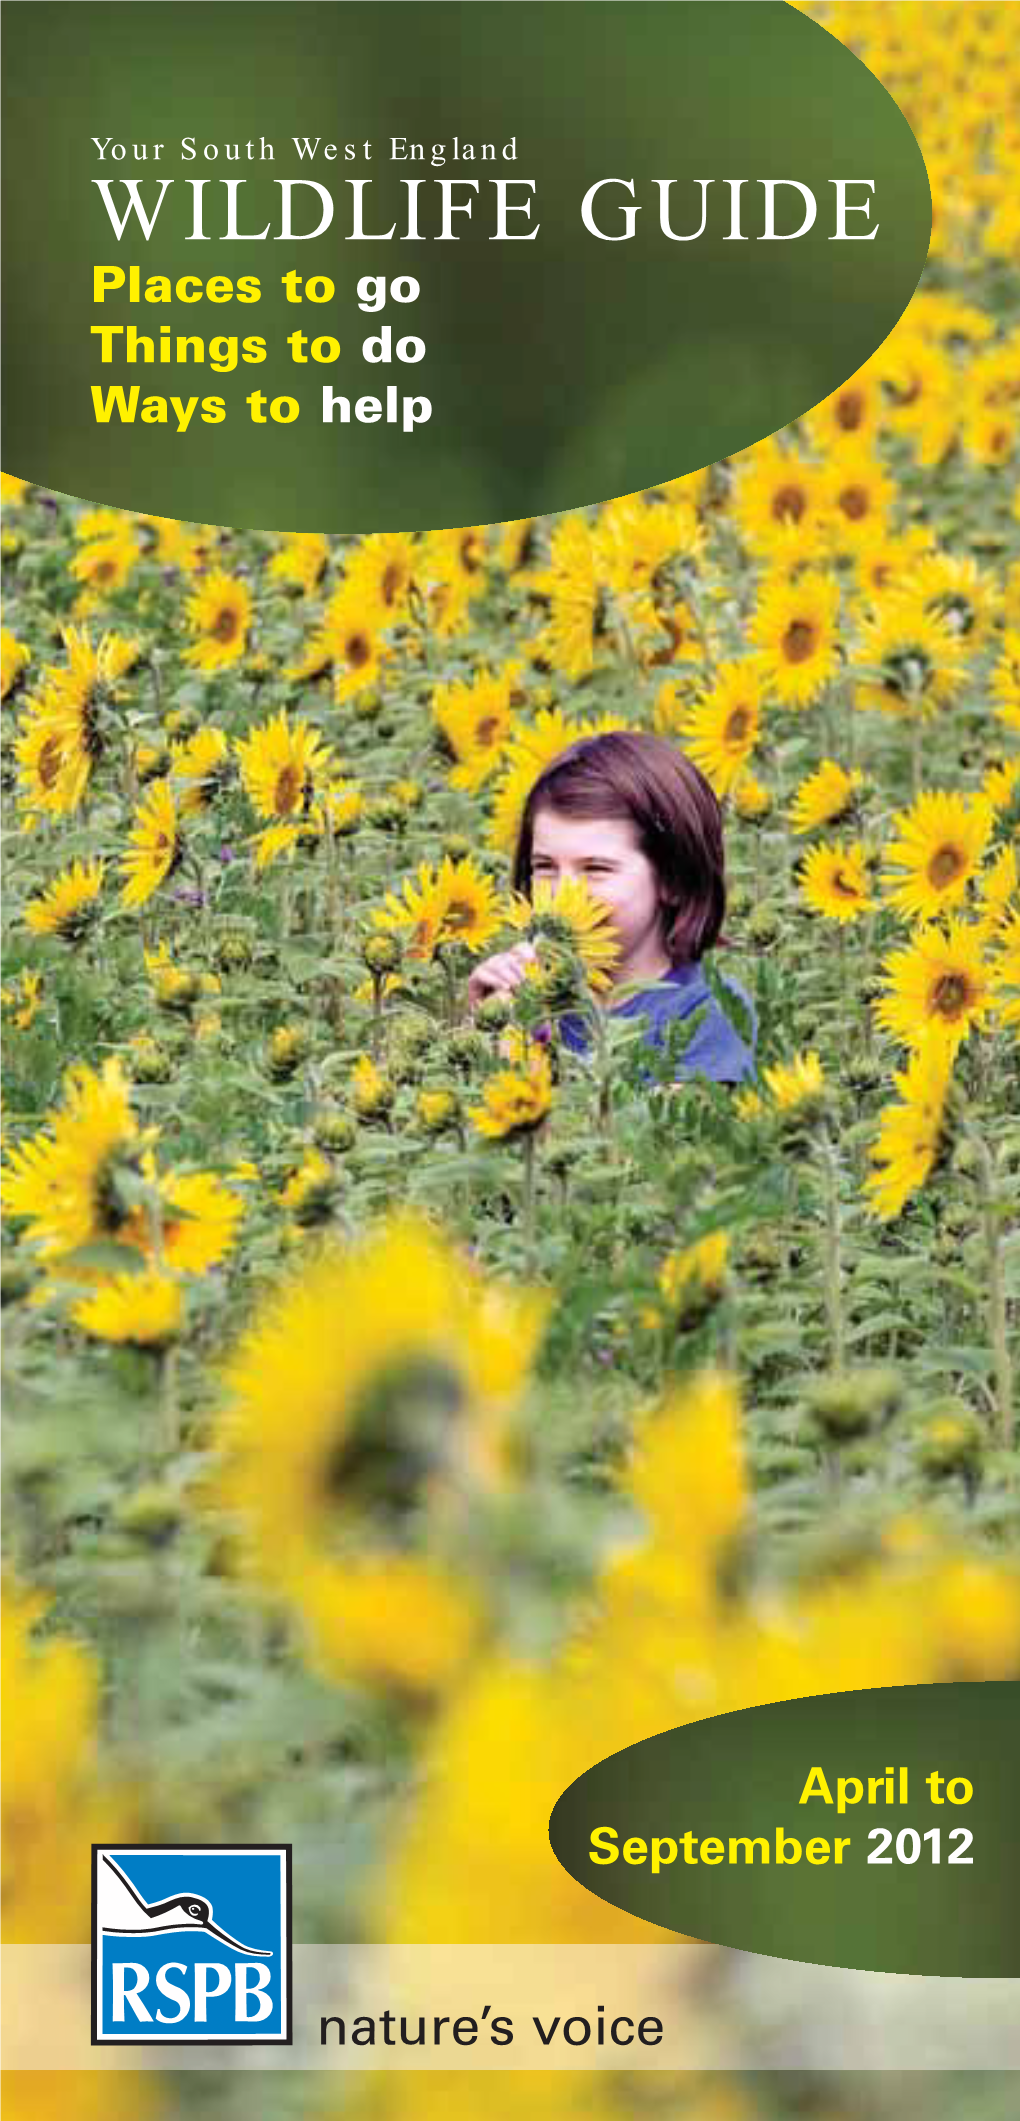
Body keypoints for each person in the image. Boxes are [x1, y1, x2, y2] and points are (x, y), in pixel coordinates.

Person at [466, 729, 757, 1085]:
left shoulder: (709, 1011)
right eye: (545, 867)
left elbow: (668, 1136)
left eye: (596, 869)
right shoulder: (533, 1005)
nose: (563, 896)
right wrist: (492, 1030)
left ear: (674, 880)